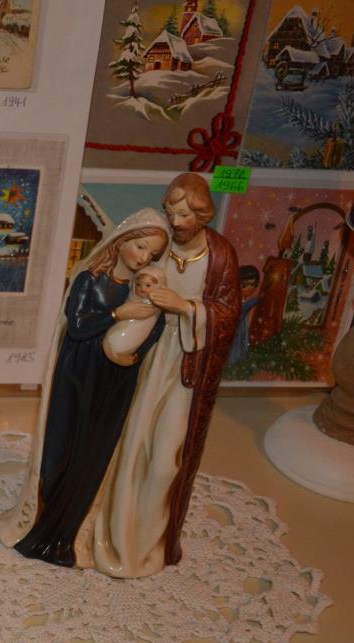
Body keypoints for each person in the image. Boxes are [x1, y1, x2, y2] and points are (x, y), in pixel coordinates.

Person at [82, 173, 241, 577]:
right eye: (171, 212)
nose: (175, 221)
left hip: (186, 366)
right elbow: (127, 280)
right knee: (129, 448)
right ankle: (115, 537)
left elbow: (228, 315)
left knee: (166, 461)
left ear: (203, 215)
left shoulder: (220, 255)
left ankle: (146, 544)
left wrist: (186, 307)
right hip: (147, 355)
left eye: (184, 215)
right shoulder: (160, 245)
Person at [0, 208, 169, 567]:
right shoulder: (90, 280)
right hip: (76, 376)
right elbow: (77, 326)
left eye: (151, 254)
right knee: (60, 452)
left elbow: (155, 330)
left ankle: (69, 536)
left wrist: (133, 356)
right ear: (122, 241)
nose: (143, 258)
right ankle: (41, 527)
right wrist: (118, 315)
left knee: (94, 455)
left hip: (115, 382)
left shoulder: (145, 290)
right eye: (140, 247)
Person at [103, 264, 166, 366]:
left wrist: (138, 355)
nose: (142, 288)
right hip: (114, 337)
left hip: (133, 346)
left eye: (148, 285)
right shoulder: (129, 299)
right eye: (138, 284)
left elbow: (154, 334)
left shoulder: (157, 309)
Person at [226, 266, 262, 368]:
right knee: (235, 346)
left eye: (254, 285)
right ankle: (232, 364)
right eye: (245, 285)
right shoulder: (234, 301)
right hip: (234, 331)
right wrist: (256, 300)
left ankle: (240, 360)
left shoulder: (243, 300)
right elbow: (241, 311)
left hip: (242, 329)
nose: (250, 288)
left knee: (243, 342)